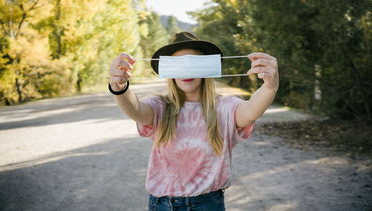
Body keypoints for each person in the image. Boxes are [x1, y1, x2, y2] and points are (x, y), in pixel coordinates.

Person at [109, 32, 279, 211]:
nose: (187, 70)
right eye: (179, 64)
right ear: (170, 71)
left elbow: (251, 110)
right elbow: (136, 109)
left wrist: (270, 86)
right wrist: (119, 89)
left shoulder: (225, 107)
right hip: (162, 205)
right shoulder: (160, 106)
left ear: (206, 67)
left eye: (194, 62)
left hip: (208, 204)